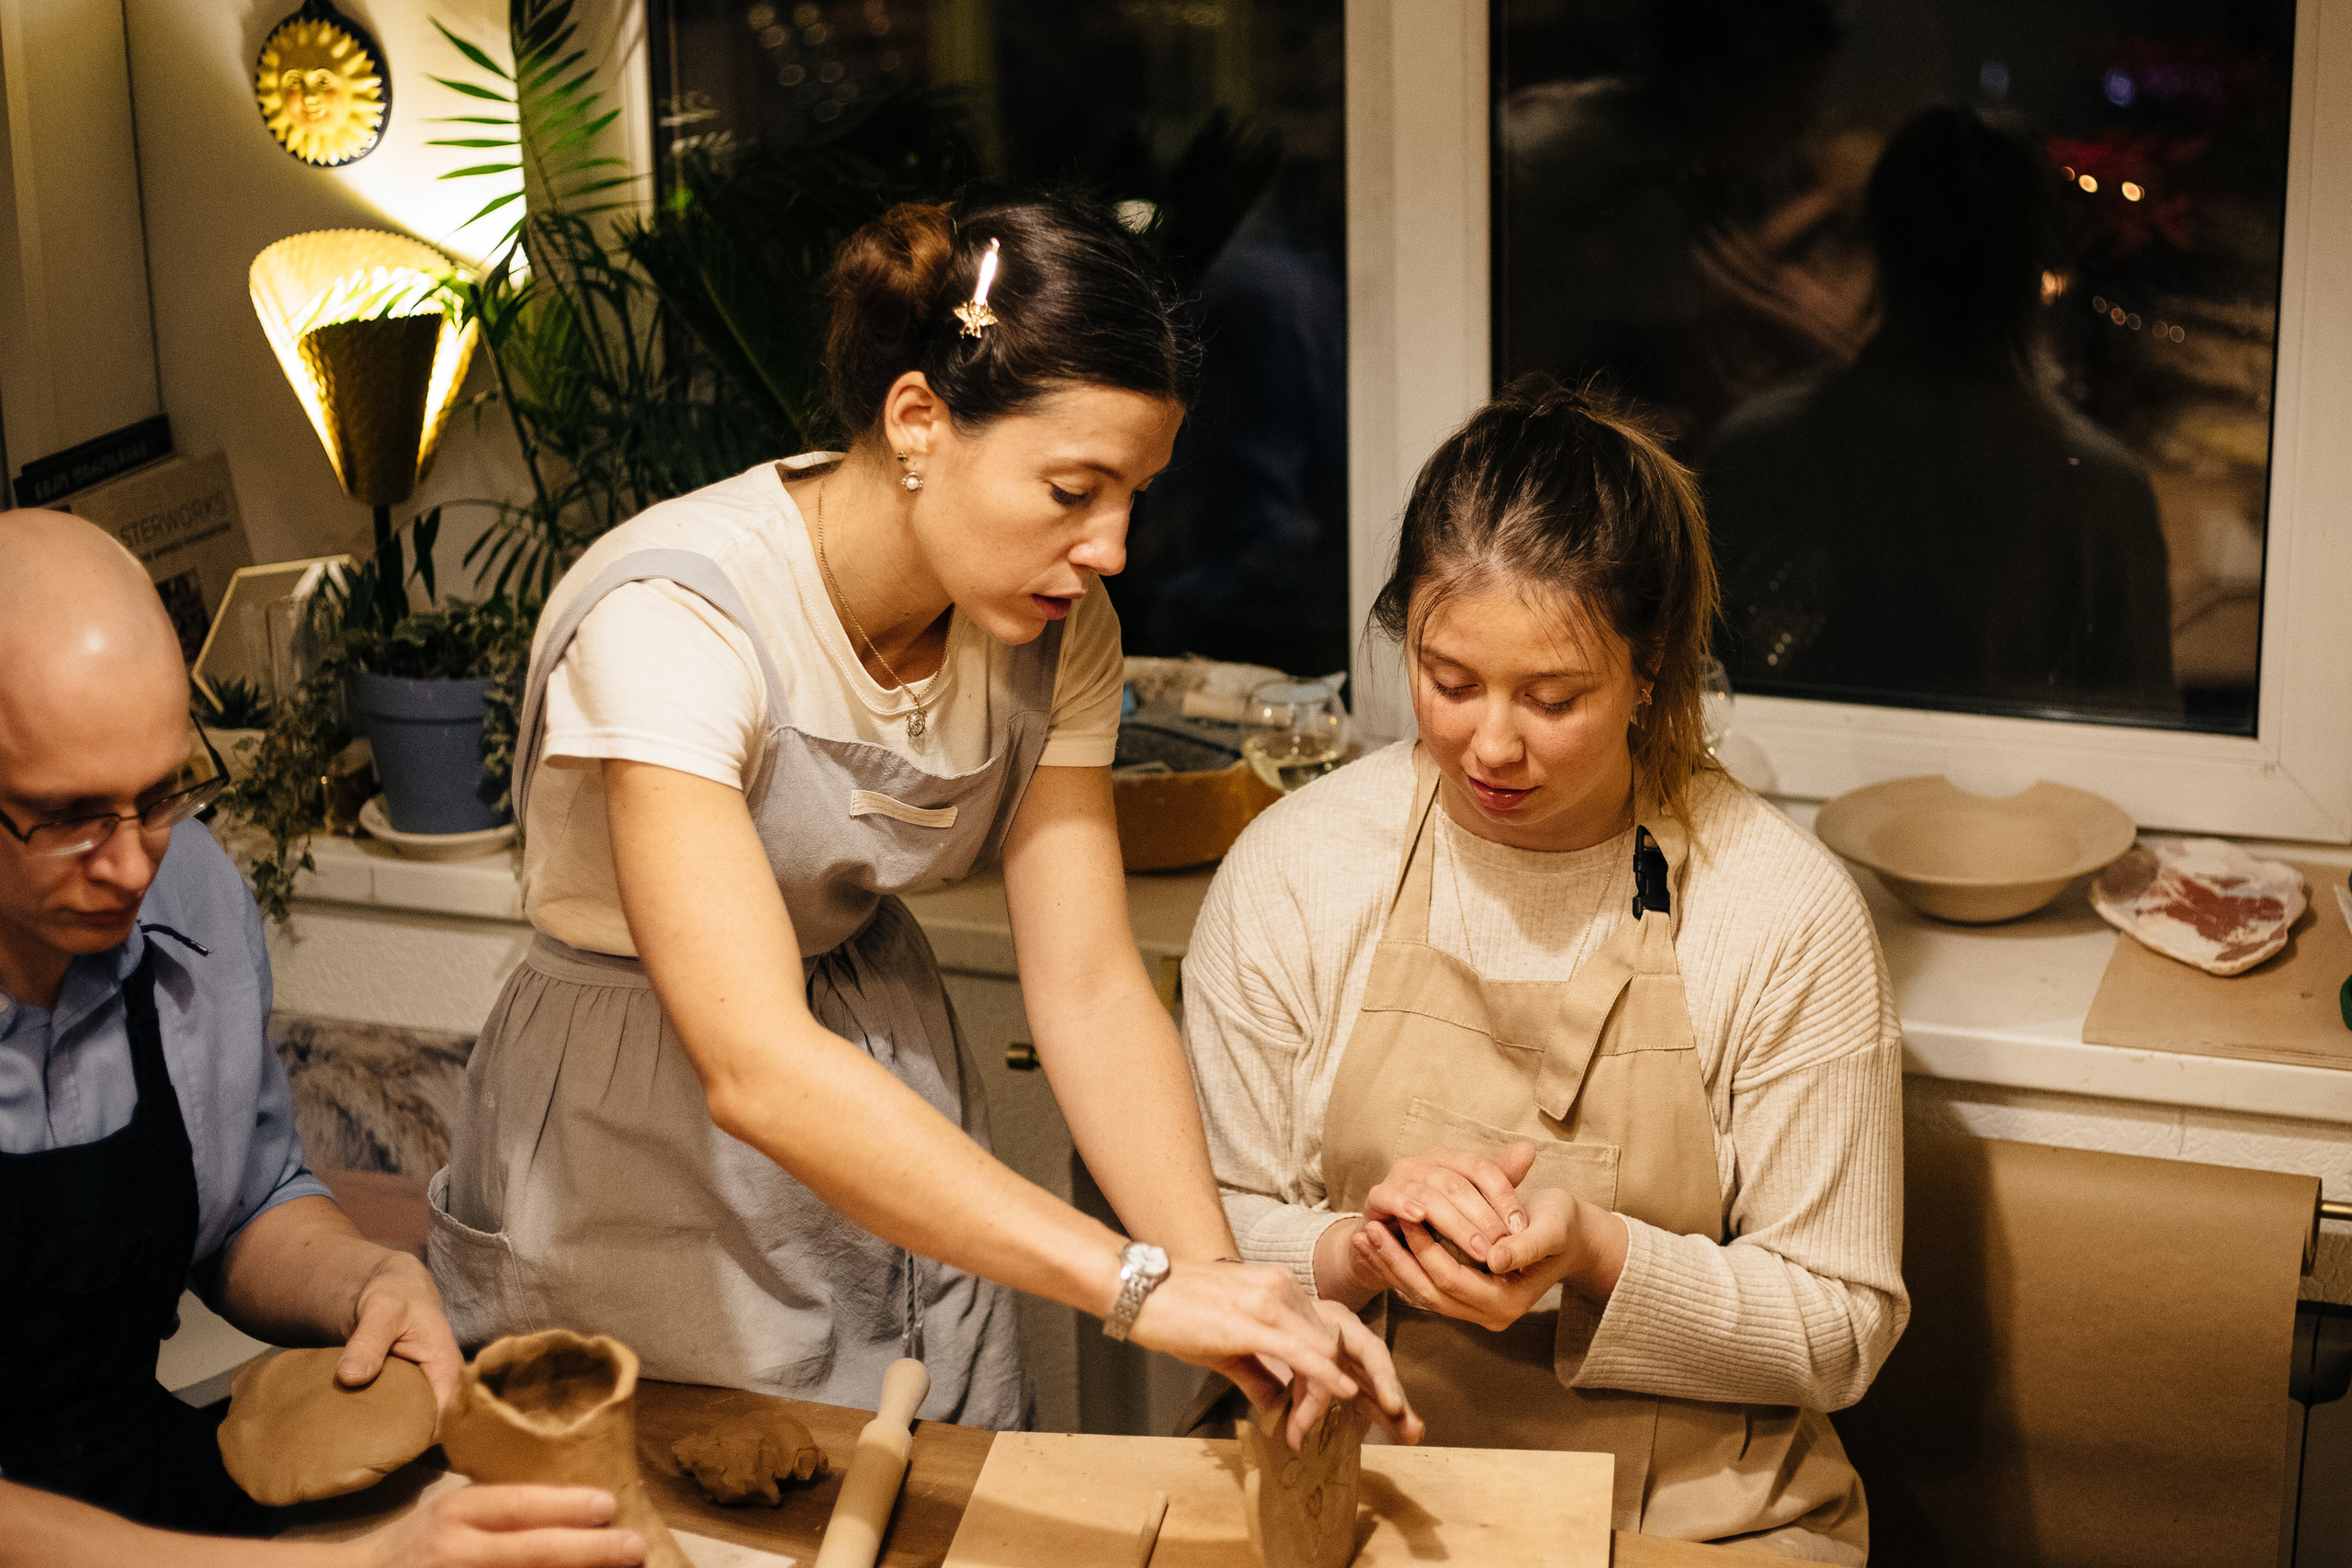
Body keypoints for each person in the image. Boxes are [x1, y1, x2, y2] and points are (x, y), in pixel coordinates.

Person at [434, 190, 1413, 1448]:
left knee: (933, 1475)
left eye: (1134, 494)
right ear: (917, 421)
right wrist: (1135, 1283)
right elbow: (758, 1066)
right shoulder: (677, 619)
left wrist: (1227, 1285)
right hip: (643, 1117)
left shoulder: (1056, 632)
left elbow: (1093, 989)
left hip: (886, 1066)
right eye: (1073, 488)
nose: (1112, 546)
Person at [1180, 382, 1906, 1562]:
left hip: (1695, 1515)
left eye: (1554, 697)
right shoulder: (1299, 868)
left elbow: (1841, 1325)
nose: (1492, 745)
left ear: (1650, 668)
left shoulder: (1780, 913)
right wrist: (1357, 1254)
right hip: (1342, 1477)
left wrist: (1598, 1258)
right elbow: (1192, 1232)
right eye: (1449, 680)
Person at [0, 510, 643, 1566]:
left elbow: (245, 1202)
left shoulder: (189, 887)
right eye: (69, 815)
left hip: (144, 1485)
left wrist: (366, 1281)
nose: (130, 866)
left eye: (160, 795)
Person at [1703, 105, 2177, 716]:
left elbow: (1703, 708)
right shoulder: (2102, 489)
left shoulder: (1754, 450)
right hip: (2018, 811)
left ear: (1883, 247)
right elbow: (2146, 736)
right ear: (2035, 265)